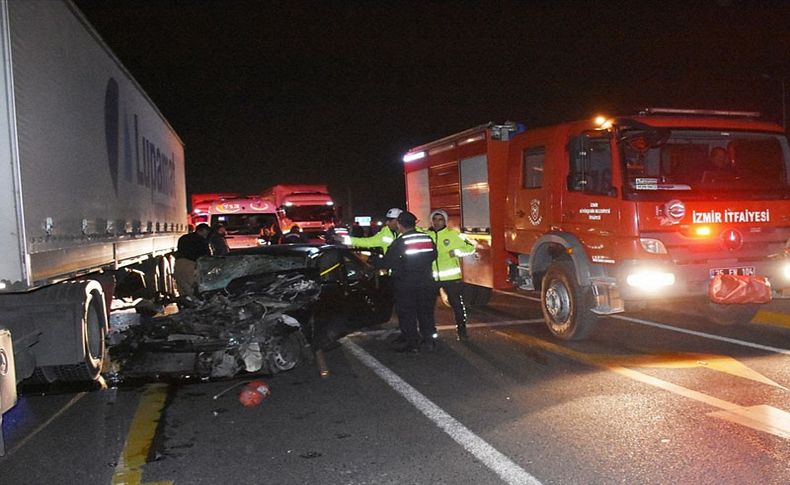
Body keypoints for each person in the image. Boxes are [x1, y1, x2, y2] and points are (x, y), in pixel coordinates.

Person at [377, 211, 437, 353]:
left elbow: (388, 262)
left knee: (407, 313)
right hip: (427, 283)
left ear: (399, 224)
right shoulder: (427, 238)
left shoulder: (400, 241)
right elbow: (434, 256)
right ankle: (429, 340)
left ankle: (412, 342)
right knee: (426, 313)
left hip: (406, 284)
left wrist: (373, 261)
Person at [427, 209, 476, 340]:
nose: (437, 222)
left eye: (440, 219)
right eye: (435, 219)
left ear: (445, 221)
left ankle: (462, 331)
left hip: (451, 278)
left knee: (457, 305)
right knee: (428, 306)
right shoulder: (426, 235)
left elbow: (471, 247)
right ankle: (430, 334)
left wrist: (457, 252)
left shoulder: (453, 235)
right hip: (431, 277)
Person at [174, 223, 210, 297]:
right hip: (191, 265)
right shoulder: (201, 240)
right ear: (203, 231)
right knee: (194, 290)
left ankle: (183, 305)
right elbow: (205, 255)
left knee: (182, 288)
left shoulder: (183, 238)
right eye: (206, 232)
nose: (206, 235)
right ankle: (197, 305)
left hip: (178, 263)